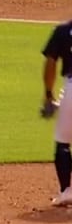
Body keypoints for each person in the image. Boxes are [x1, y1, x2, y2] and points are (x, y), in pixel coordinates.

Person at [39, 18, 72, 206]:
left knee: (63, 141)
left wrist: (49, 95)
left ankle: (67, 191)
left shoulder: (63, 31)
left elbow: (50, 61)